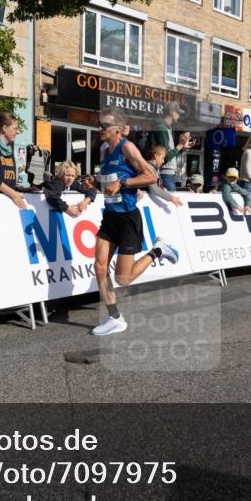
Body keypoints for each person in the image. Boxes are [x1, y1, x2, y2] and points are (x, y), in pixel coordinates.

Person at [92, 109, 179, 336]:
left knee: (123, 277)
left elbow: (151, 176)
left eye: (105, 125)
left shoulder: (127, 147)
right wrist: (94, 182)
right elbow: (108, 182)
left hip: (128, 219)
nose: (100, 129)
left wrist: (122, 183)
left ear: (118, 129)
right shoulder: (105, 151)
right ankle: (115, 318)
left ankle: (158, 251)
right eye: (99, 125)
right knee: (100, 267)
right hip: (110, 217)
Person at [152, 101, 189, 191]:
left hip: (167, 174)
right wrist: (180, 145)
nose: (179, 116)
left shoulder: (167, 127)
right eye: (178, 113)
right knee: (171, 203)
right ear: (172, 112)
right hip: (165, 174)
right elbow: (166, 156)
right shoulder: (162, 128)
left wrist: (183, 145)